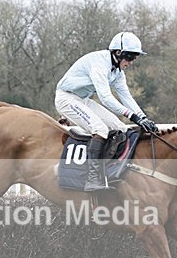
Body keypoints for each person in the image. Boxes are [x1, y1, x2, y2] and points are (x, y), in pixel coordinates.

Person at [55, 31, 157, 191]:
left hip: (82, 99)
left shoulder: (117, 72)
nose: (131, 62)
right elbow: (106, 98)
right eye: (129, 57)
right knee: (100, 129)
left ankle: (112, 170)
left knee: (121, 128)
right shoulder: (99, 63)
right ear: (118, 52)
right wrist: (132, 116)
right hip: (66, 98)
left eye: (134, 58)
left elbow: (126, 97)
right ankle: (92, 178)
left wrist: (143, 117)